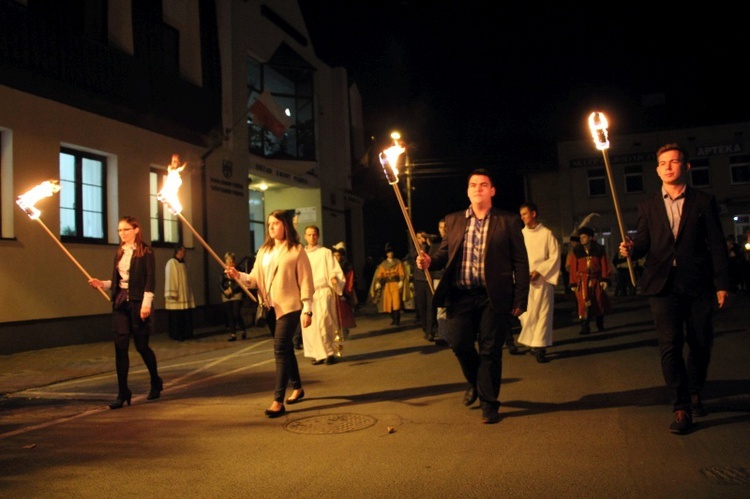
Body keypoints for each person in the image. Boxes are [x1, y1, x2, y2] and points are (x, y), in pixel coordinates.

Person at [619, 143, 730, 435]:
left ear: (686, 166)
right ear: (657, 170)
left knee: (701, 343)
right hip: (662, 284)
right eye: (663, 163)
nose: (668, 167)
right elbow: (643, 244)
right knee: (669, 344)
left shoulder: (704, 202)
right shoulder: (648, 206)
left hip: (698, 283)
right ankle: (680, 406)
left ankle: (694, 390)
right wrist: (630, 249)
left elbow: (716, 245)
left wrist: (721, 283)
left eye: (674, 162)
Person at [416, 168, 530, 424]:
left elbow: (520, 263)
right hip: (460, 295)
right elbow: (444, 254)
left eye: (483, 184)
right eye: (473, 184)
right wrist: (428, 260)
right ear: (468, 191)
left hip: (494, 295)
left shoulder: (508, 221)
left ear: (492, 191)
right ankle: (476, 382)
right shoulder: (455, 220)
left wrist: (520, 299)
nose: (477, 188)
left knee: (490, 351)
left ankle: (489, 404)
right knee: (459, 343)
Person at [226, 210, 314, 418]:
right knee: (286, 349)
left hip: (290, 307)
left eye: (275, 223)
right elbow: (254, 279)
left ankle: (277, 401)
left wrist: (307, 309)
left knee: (280, 350)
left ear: (285, 225)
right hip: (269, 308)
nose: (271, 227)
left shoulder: (296, 250)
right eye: (269, 224)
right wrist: (238, 275)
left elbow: (306, 282)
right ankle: (298, 387)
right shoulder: (264, 251)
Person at [88, 216, 163, 409]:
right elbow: (118, 281)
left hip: (138, 303)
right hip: (121, 303)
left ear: (136, 230)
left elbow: (149, 280)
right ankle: (123, 392)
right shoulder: (119, 252)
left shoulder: (146, 251)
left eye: (126, 230)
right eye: (119, 230)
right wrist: (102, 284)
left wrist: (147, 303)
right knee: (120, 346)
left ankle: (155, 381)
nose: (122, 233)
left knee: (141, 346)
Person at [516, 202, 561, 364]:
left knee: (542, 314)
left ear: (534, 214)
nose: (522, 218)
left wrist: (540, 271)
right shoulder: (520, 235)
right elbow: (516, 257)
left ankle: (540, 348)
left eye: (525, 214)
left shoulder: (547, 234)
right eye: (521, 215)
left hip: (542, 281)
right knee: (525, 314)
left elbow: (555, 256)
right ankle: (532, 344)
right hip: (524, 281)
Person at [303, 225, 345, 365]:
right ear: (305, 236)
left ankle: (330, 352)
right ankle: (318, 354)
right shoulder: (302, 254)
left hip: (324, 291)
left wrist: (333, 278)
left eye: (314, 234)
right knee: (312, 325)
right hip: (309, 293)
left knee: (325, 322)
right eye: (309, 235)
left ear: (318, 236)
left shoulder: (325, 252)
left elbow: (333, 269)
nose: (312, 237)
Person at [569, 226, 612, 335]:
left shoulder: (599, 249)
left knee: (598, 301)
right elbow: (573, 268)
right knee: (583, 304)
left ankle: (600, 324)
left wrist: (604, 279)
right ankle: (585, 327)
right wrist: (573, 282)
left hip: (596, 279)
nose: (582, 239)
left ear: (590, 237)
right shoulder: (576, 251)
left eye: (584, 237)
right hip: (582, 281)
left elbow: (604, 264)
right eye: (581, 237)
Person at [164, 244, 195, 341]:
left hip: (184, 294)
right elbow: (171, 278)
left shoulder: (183, 264)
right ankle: (176, 334)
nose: (184, 253)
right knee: (176, 317)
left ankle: (186, 333)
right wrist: (172, 292)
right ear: (178, 251)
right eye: (183, 251)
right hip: (177, 295)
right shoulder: (171, 263)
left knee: (185, 316)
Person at [369, 244, 405, 325]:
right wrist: (378, 282)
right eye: (389, 253)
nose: (390, 254)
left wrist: (401, 280)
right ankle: (393, 318)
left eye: (391, 252)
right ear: (386, 254)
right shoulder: (383, 264)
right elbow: (380, 274)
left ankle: (397, 320)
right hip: (387, 285)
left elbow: (401, 272)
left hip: (395, 284)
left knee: (396, 302)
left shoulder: (398, 262)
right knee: (389, 303)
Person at [332, 243, 357, 339]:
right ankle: (336, 332)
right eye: (334, 255)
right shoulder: (331, 266)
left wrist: (346, 292)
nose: (336, 257)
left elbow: (349, 280)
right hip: (333, 292)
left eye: (338, 255)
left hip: (343, 292)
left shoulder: (346, 266)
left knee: (343, 313)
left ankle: (345, 331)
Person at [221, 252, 247, 342]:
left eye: (230, 261)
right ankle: (233, 334)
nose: (228, 263)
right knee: (230, 315)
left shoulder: (238, 270)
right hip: (226, 295)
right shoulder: (224, 271)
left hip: (236, 294)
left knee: (236, 313)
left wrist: (232, 290)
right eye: (227, 261)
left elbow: (240, 283)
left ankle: (243, 330)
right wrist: (224, 290)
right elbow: (220, 282)